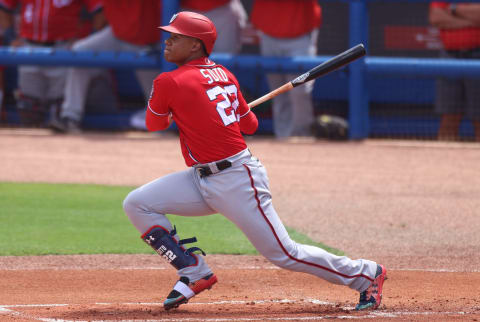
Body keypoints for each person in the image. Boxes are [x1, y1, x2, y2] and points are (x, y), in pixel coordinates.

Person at [122, 11, 387, 312]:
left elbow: (154, 125)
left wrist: (188, 112)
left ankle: (365, 274)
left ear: (196, 45)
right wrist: (226, 113)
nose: (167, 41)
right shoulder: (225, 76)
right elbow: (250, 125)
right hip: (201, 178)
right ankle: (194, 270)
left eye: (176, 36)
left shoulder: (169, 81)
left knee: (285, 254)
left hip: (237, 179)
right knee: (137, 203)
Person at [129, 0, 247, 131]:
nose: (167, 42)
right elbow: (251, 125)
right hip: (184, 9)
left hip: (221, 9)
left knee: (220, 73)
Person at [50, 0, 162, 134]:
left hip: (148, 42)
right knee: (80, 52)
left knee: (159, 105)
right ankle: (70, 116)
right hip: (117, 35)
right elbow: (99, 20)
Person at [0, 0, 104, 127]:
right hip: (29, 48)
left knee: (59, 109)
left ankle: (66, 146)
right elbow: (4, 8)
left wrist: (85, 41)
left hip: (63, 48)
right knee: (29, 109)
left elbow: (100, 12)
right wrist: (10, 37)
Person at [250, 0, 321, 139]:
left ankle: (302, 135)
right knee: (277, 91)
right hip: (268, 31)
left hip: (301, 32)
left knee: (300, 90)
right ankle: (283, 137)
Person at [429, 2, 480, 141]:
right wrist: (472, 22)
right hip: (450, 56)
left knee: (479, 119)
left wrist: (452, 10)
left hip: (477, 55)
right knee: (449, 118)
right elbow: (436, 17)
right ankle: (442, 162)